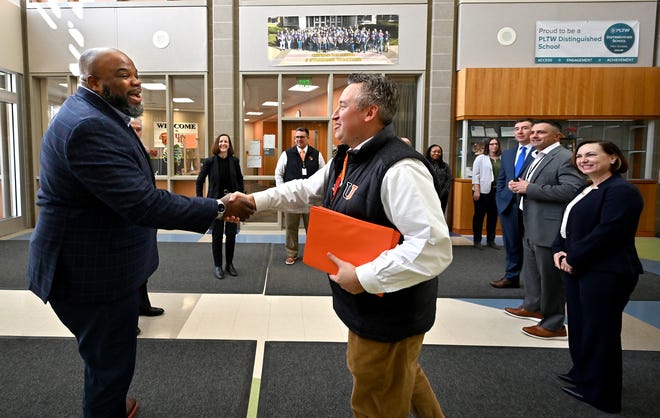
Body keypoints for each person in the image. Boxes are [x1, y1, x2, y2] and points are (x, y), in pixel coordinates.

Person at [27, 47, 254, 418]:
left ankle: (111, 404)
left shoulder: (98, 116)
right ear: (94, 83)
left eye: (136, 73)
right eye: (124, 74)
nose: (137, 82)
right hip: (90, 276)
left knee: (106, 362)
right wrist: (218, 206)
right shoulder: (88, 126)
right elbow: (143, 203)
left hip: (98, 268)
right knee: (110, 370)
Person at [233, 73, 452, 417]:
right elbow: (302, 191)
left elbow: (432, 247)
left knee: (375, 398)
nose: (334, 115)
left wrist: (364, 277)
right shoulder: (345, 158)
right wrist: (252, 200)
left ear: (370, 113)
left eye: (342, 106)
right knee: (402, 376)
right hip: (367, 308)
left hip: (390, 313)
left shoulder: (399, 168)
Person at [552, 141, 643, 413]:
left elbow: (608, 233)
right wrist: (559, 249)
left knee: (600, 332)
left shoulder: (622, 191)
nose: (583, 160)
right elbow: (567, 224)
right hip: (578, 268)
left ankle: (603, 393)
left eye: (591, 154)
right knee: (581, 326)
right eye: (579, 156)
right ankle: (584, 376)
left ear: (613, 158)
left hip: (606, 272)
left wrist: (573, 258)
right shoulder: (586, 188)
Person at [504, 120, 584, 339]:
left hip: (548, 225)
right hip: (531, 221)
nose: (534, 135)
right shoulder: (536, 156)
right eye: (534, 132)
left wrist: (530, 188)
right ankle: (533, 305)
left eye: (541, 132)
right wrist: (519, 186)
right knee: (532, 271)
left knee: (550, 277)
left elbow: (572, 189)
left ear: (557, 136)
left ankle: (554, 323)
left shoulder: (564, 158)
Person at [490, 119, 535, 288]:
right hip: (508, 204)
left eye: (525, 128)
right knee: (511, 244)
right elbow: (502, 177)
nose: (520, 131)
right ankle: (511, 277)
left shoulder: (539, 153)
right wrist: (500, 196)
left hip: (532, 204)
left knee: (533, 245)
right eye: (517, 129)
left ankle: (535, 281)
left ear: (533, 131)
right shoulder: (509, 153)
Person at [196, 133, 245, 279]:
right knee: (217, 235)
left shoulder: (234, 161)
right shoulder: (210, 161)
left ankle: (229, 264)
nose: (224, 143)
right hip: (215, 203)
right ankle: (218, 266)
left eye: (226, 141)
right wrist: (200, 200)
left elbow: (240, 179)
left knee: (231, 234)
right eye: (221, 141)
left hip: (232, 202)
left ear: (229, 145)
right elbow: (200, 180)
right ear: (217, 144)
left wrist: (240, 196)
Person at [130, 117, 165, 317]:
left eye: (139, 129)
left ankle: (143, 304)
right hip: (130, 218)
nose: (136, 132)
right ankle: (128, 317)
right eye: (132, 128)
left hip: (145, 219)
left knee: (143, 264)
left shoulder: (142, 149)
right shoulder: (122, 149)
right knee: (129, 271)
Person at [274, 127, 325, 265]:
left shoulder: (317, 154)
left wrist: (320, 194)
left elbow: (324, 175)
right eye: (297, 137)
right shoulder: (286, 154)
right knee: (291, 227)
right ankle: (292, 253)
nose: (299, 139)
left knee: (313, 228)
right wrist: (283, 191)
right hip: (292, 198)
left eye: (302, 137)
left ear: (308, 138)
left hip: (311, 199)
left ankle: (314, 254)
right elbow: (278, 174)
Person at [471, 137, 501, 249]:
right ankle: (477, 240)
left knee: (493, 217)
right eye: (492, 144)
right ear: (487, 146)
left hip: (496, 191)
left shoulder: (502, 158)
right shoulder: (481, 158)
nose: (494, 146)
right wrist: (477, 190)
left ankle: (491, 240)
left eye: (496, 144)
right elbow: (475, 175)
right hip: (482, 191)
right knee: (479, 216)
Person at [425, 144, 452, 213]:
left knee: (440, 214)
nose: (436, 153)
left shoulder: (445, 166)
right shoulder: (424, 164)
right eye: (434, 151)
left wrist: (443, 193)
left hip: (442, 196)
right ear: (429, 152)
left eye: (439, 152)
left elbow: (448, 180)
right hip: (428, 194)